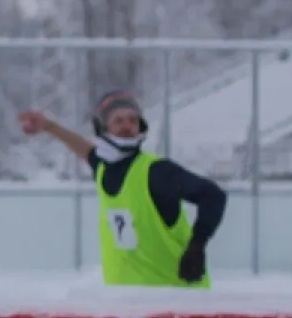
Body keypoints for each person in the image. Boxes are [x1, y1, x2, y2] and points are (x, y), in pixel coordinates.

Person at [18, 92, 225, 289]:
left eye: (133, 120)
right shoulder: (103, 167)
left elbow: (213, 196)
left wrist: (197, 246)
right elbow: (86, 150)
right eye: (118, 121)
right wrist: (49, 126)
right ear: (102, 128)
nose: (127, 126)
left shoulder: (156, 171)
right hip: (125, 300)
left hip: (173, 298)